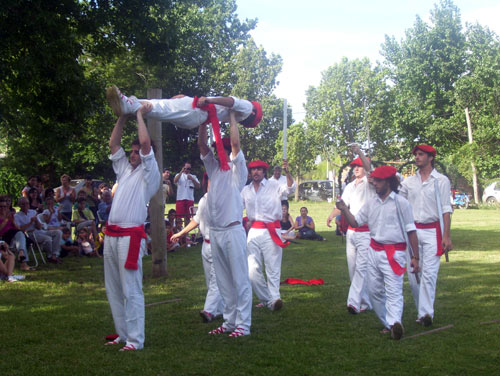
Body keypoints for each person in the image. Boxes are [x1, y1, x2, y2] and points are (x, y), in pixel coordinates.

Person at [336, 165, 420, 340]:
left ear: (388, 182)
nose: (374, 183)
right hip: (373, 250)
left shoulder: (401, 203)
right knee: (374, 292)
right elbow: (356, 222)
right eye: (373, 180)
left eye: (378, 180)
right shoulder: (371, 202)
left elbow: (411, 231)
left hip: (394, 253)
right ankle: (388, 323)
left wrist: (415, 257)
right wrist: (344, 209)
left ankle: (395, 322)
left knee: (394, 290)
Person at [102, 102, 161, 351]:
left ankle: (136, 339)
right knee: (113, 288)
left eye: (137, 151)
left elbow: (146, 144)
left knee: (131, 289)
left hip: (130, 237)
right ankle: (123, 334)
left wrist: (138, 114)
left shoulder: (151, 173)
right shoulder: (125, 170)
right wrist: (122, 116)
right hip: (112, 235)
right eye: (133, 151)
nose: (133, 154)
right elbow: (113, 145)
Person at [198, 110, 251, 338]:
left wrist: (231, 117)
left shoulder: (238, 171)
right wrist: (202, 119)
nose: (223, 152)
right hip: (216, 232)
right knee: (222, 281)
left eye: (226, 150)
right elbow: (201, 146)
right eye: (222, 149)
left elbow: (236, 143)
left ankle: (243, 325)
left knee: (239, 279)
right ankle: (229, 322)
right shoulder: (213, 169)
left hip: (232, 230)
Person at [399, 144, 453, 327]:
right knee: (414, 276)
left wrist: (446, 236)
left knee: (429, 274)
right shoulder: (408, 182)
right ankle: (422, 309)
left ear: (431, 157)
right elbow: (398, 199)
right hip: (412, 232)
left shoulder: (441, 181)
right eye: (416, 154)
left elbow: (446, 210)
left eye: (421, 154)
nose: (417, 157)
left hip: (432, 231)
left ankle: (425, 314)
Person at [326, 144, 375, 314]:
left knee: (362, 267)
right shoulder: (349, 186)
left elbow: (371, 171)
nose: (356, 169)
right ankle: (365, 301)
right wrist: (332, 214)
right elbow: (342, 205)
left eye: (359, 166)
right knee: (353, 268)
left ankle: (353, 303)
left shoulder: (371, 183)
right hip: (352, 232)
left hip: (366, 231)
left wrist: (360, 153)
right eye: (354, 166)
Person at [241, 159, 294, 311]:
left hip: (272, 229)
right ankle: (267, 299)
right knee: (252, 269)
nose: (255, 172)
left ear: (264, 172)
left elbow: (290, 188)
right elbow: (237, 207)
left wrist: (287, 172)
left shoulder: (274, 185)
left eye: (259, 169)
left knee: (273, 267)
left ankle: (275, 298)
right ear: (250, 173)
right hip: (254, 231)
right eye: (253, 170)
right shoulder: (246, 190)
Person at [171, 182, 224, 323]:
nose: (212, 186)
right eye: (209, 183)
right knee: (209, 280)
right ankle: (220, 310)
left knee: (216, 279)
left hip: (218, 244)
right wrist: (181, 233)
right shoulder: (203, 200)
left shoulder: (224, 199)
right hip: (205, 244)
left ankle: (209, 310)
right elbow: (196, 219)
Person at [16, 196, 62, 264]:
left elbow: (39, 227)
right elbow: (20, 229)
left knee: (58, 232)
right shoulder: (17, 216)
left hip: (40, 231)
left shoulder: (33, 212)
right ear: (19, 205)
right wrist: (30, 222)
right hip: (30, 234)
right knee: (48, 239)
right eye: (23, 204)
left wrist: (36, 221)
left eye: (27, 203)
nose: (26, 205)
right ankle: (50, 256)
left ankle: (54, 255)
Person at [1, 197, 30, 271]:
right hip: (4, 237)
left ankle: (21, 253)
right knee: (21, 236)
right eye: (1, 206)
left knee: (20, 234)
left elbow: (18, 228)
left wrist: (13, 221)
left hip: (14, 236)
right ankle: (23, 261)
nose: (3, 208)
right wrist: (6, 220)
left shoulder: (10, 215)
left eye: (5, 206)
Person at [174, 162, 200, 226]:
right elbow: (175, 181)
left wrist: (192, 179)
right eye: (185, 168)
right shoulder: (179, 175)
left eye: (189, 169)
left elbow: (198, 186)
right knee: (179, 217)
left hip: (189, 198)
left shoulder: (193, 176)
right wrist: (181, 172)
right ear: (183, 168)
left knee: (188, 217)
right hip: (180, 198)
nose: (187, 170)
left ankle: (186, 233)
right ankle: (179, 231)